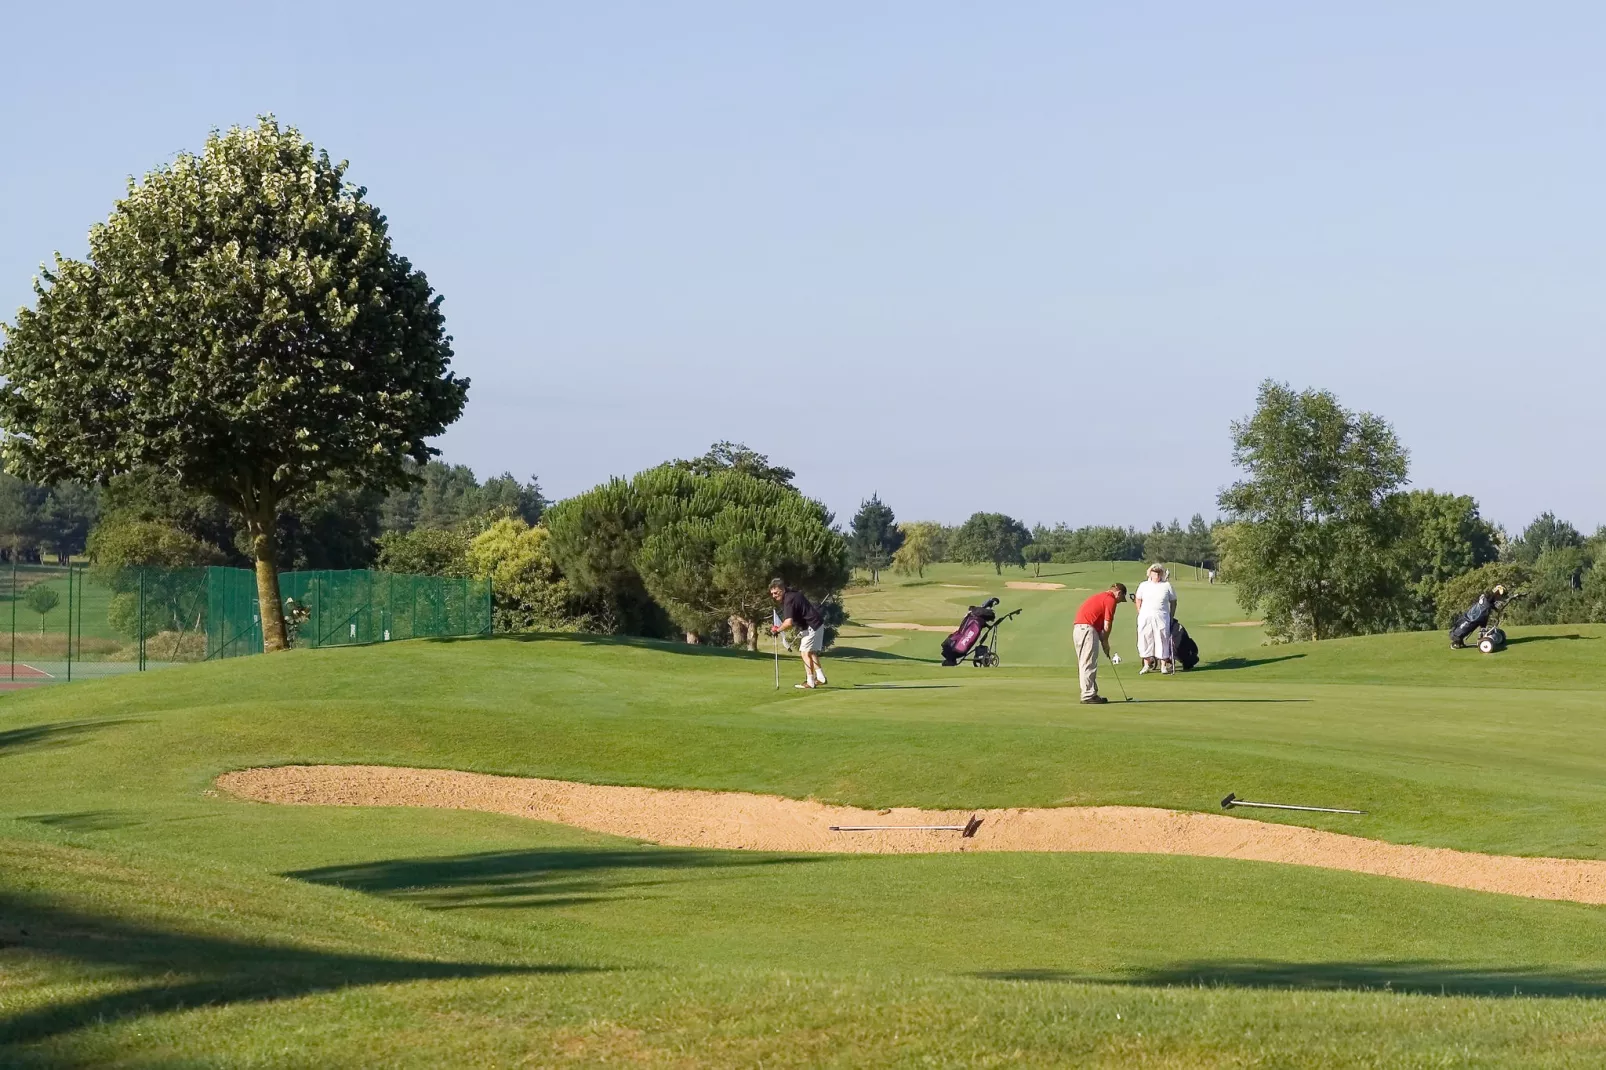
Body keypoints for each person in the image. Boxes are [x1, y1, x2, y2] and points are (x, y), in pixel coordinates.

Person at [1072, 583, 1126, 704]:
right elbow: (1107, 624)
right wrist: (1105, 642)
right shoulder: (1110, 600)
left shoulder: (1100, 596)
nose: (1119, 602)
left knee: (1084, 662)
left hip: (1079, 629)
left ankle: (1091, 692)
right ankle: (1088, 695)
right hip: (1087, 629)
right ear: (1119, 593)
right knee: (1088, 663)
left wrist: (1103, 640)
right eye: (1121, 600)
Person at [769, 578, 827, 689]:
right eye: (772, 593)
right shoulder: (792, 593)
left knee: (804, 652)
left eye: (775, 593)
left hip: (812, 625)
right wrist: (779, 628)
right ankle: (820, 677)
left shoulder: (788, 600)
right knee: (810, 652)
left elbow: (788, 623)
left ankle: (810, 682)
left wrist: (777, 630)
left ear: (782, 590)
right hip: (815, 624)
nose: (774, 596)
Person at [1135, 564, 1178, 674]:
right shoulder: (1144, 585)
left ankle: (1163, 665)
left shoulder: (1167, 585)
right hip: (1145, 616)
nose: (1156, 574)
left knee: (1162, 638)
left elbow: (1173, 602)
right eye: (1154, 572)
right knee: (1145, 638)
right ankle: (1146, 665)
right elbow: (1138, 599)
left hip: (1162, 616)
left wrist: (1171, 615)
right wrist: (1140, 612)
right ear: (1150, 573)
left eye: (1159, 572)